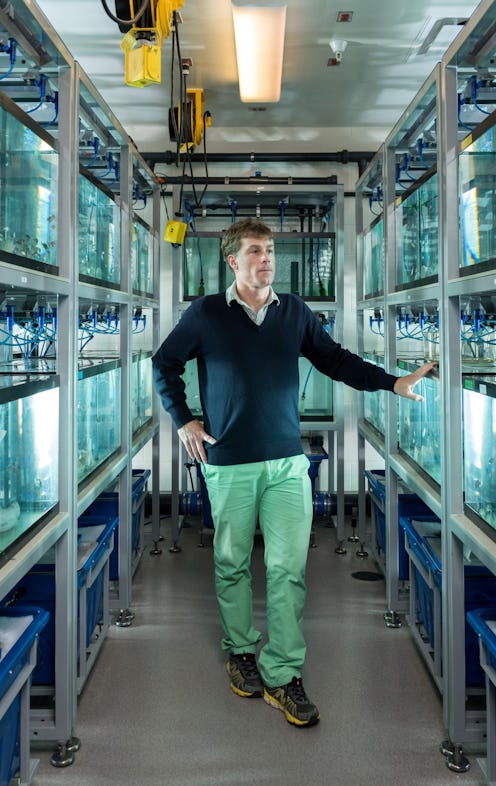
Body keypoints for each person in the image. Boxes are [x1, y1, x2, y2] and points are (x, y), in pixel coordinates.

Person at [152, 217, 434, 728]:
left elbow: (335, 360)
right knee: (233, 563)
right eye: (256, 251)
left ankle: (283, 675)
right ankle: (241, 652)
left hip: (286, 462)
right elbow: (163, 363)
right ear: (232, 260)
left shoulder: (295, 312)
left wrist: (393, 383)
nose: (267, 259)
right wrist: (184, 420)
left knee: (288, 569)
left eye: (271, 250)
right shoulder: (207, 314)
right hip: (229, 461)